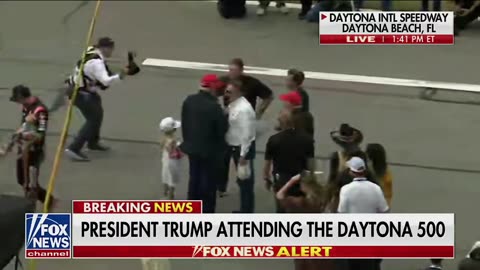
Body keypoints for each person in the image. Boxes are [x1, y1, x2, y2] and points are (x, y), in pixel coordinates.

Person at [64, 37, 133, 162]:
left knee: (97, 114)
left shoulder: (91, 50)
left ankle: (93, 142)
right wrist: (121, 75)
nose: (112, 52)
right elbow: (105, 80)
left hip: (82, 89)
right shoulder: (97, 63)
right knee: (93, 119)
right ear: (105, 48)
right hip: (81, 94)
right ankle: (74, 148)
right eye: (111, 49)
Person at [180, 74, 228, 213]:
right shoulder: (214, 107)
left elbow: (185, 124)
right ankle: (206, 213)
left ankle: (192, 209)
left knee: (194, 178)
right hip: (210, 152)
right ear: (212, 88)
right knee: (208, 184)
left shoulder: (189, 100)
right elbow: (221, 131)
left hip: (192, 148)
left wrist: (188, 141)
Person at [7, 85, 57, 210]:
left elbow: (40, 134)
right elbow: (24, 125)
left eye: (17, 99)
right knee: (21, 180)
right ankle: (46, 200)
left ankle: (44, 203)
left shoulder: (40, 111)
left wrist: (24, 134)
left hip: (34, 151)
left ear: (21, 97)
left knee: (30, 184)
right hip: (23, 149)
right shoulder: (26, 107)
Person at [337, 157, 388, 270]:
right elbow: (384, 211)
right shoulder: (375, 188)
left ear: (352, 172)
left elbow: (341, 214)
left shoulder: (346, 190)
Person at [276, 174, 336, 270]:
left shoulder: (301, 203)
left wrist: (291, 181)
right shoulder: (324, 200)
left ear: (303, 187)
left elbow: (280, 195)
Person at [264, 109, 315, 213]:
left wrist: (267, 179)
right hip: (300, 180)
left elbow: (267, 163)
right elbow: (311, 164)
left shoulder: (274, 140)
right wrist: (311, 181)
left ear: (280, 123)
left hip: (281, 180)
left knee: (281, 209)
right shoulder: (307, 139)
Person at [222, 80, 256, 213]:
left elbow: (247, 134)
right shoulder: (233, 104)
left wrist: (243, 154)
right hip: (234, 145)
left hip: (242, 149)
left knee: (245, 182)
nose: (226, 93)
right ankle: (245, 209)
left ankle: (247, 212)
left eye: (229, 91)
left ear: (239, 92)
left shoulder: (244, 109)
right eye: (226, 90)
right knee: (241, 180)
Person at [159, 117, 183, 200]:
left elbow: (162, 147)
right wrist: (177, 145)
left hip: (165, 161)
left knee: (165, 177)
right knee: (172, 181)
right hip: (173, 163)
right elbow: (172, 151)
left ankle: (165, 194)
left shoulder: (163, 139)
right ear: (173, 130)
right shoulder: (173, 140)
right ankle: (170, 198)